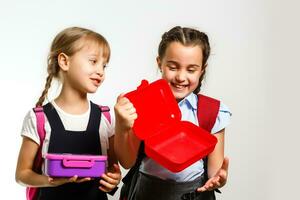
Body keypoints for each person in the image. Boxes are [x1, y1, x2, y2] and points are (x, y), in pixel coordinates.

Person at [114, 26, 231, 200]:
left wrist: (218, 179)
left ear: (202, 70)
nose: (181, 77)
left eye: (191, 70)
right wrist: (122, 125)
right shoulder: (140, 104)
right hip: (147, 192)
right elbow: (126, 161)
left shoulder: (213, 111)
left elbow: (215, 170)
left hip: (193, 193)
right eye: (173, 67)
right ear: (159, 62)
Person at [15, 27, 121, 200]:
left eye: (104, 65)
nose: (101, 72)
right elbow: (22, 174)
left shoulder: (106, 118)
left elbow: (111, 169)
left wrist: (114, 178)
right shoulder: (39, 119)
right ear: (64, 61)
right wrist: (50, 181)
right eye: (93, 61)